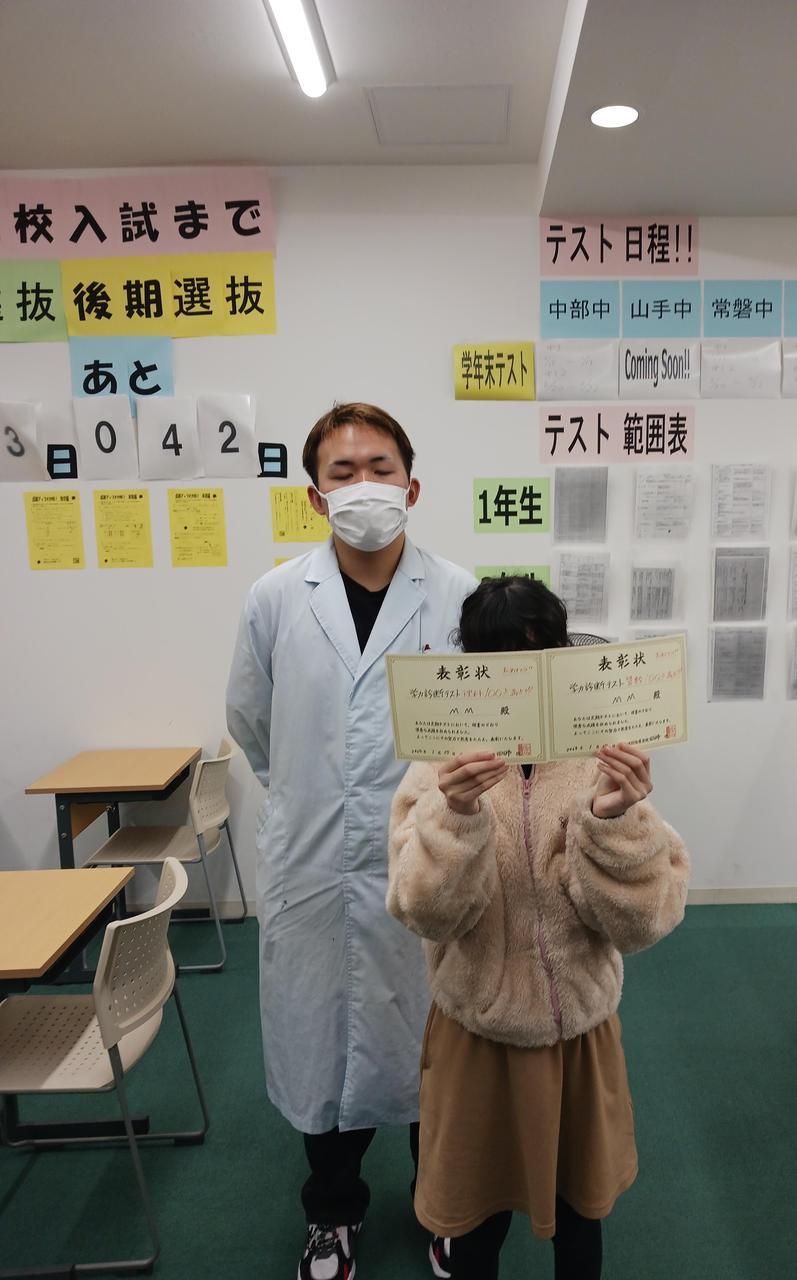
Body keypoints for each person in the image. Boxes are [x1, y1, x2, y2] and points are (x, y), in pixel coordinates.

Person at [226, 403, 476, 1280]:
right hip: (315, 859)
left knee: (437, 1048)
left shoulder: (459, 594)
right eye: (343, 471)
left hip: (432, 856)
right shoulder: (275, 597)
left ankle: (444, 1209)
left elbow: (486, 718)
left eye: (380, 468)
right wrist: (314, 791)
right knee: (322, 1044)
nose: (363, 484)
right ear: (313, 495)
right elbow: (251, 721)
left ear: (413, 486)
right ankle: (332, 1213)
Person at [387, 576, 690, 1279]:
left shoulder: (598, 759)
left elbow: (645, 919)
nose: (516, 680)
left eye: (535, 657)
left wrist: (612, 820)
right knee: (475, 1226)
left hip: (578, 1031)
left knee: (581, 1220)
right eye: (496, 662)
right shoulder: (439, 767)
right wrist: (456, 816)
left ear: (559, 658)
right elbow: (421, 911)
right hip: (477, 1031)